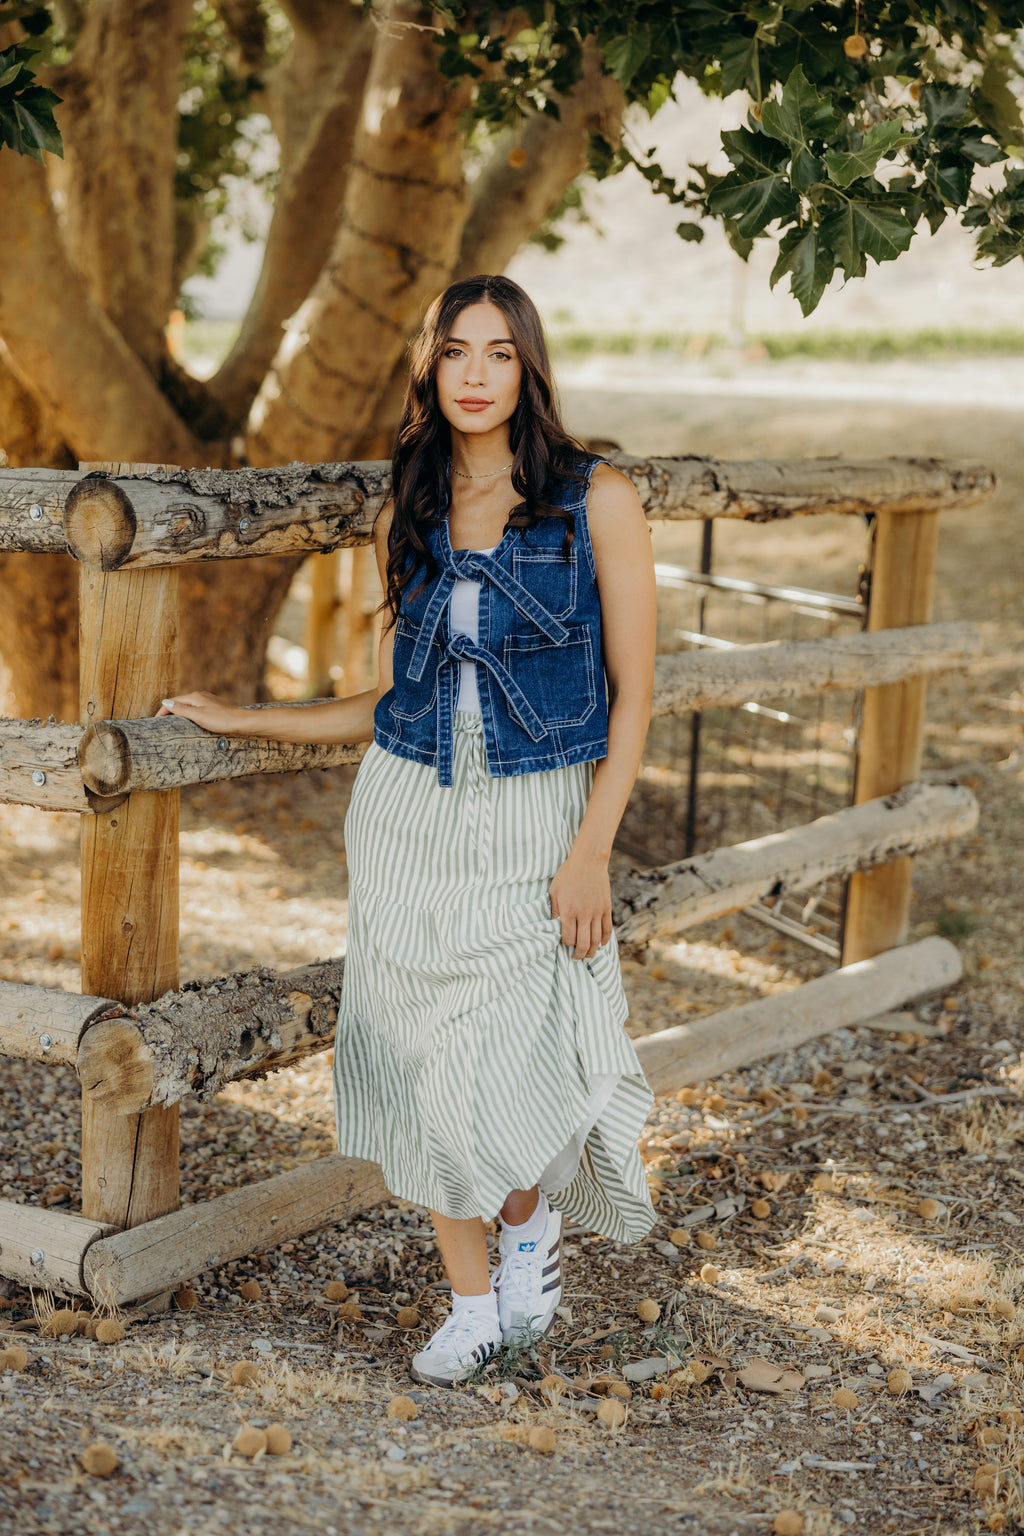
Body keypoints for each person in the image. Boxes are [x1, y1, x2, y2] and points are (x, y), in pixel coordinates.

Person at [158, 274, 658, 1388]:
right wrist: (251, 716)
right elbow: (392, 696)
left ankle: (528, 1227)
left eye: (497, 353)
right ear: (428, 369)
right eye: (454, 353)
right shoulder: (413, 506)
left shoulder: (596, 500)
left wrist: (592, 851)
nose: (475, 375)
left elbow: (633, 695)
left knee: (505, 1061)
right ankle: (473, 1304)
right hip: (407, 813)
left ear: (527, 368)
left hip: (535, 817)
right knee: (429, 1065)